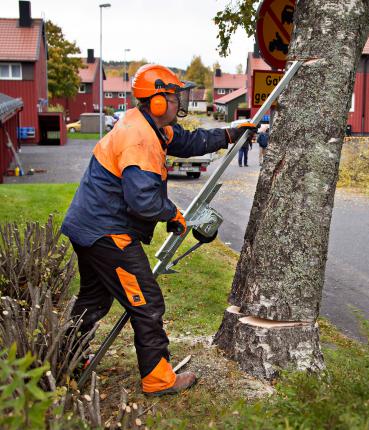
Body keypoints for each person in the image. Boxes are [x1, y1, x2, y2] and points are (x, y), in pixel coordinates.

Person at [61, 64, 255, 397]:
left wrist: (228, 134)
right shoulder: (139, 140)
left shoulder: (149, 126)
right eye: (174, 96)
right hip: (107, 234)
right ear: (158, 102)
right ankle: (157, 378)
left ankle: (65, 360)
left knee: (93, 301)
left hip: (88, 227)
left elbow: (188, 140)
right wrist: (173, 214)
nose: (181, 102)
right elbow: (143, 201)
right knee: (147, 303)